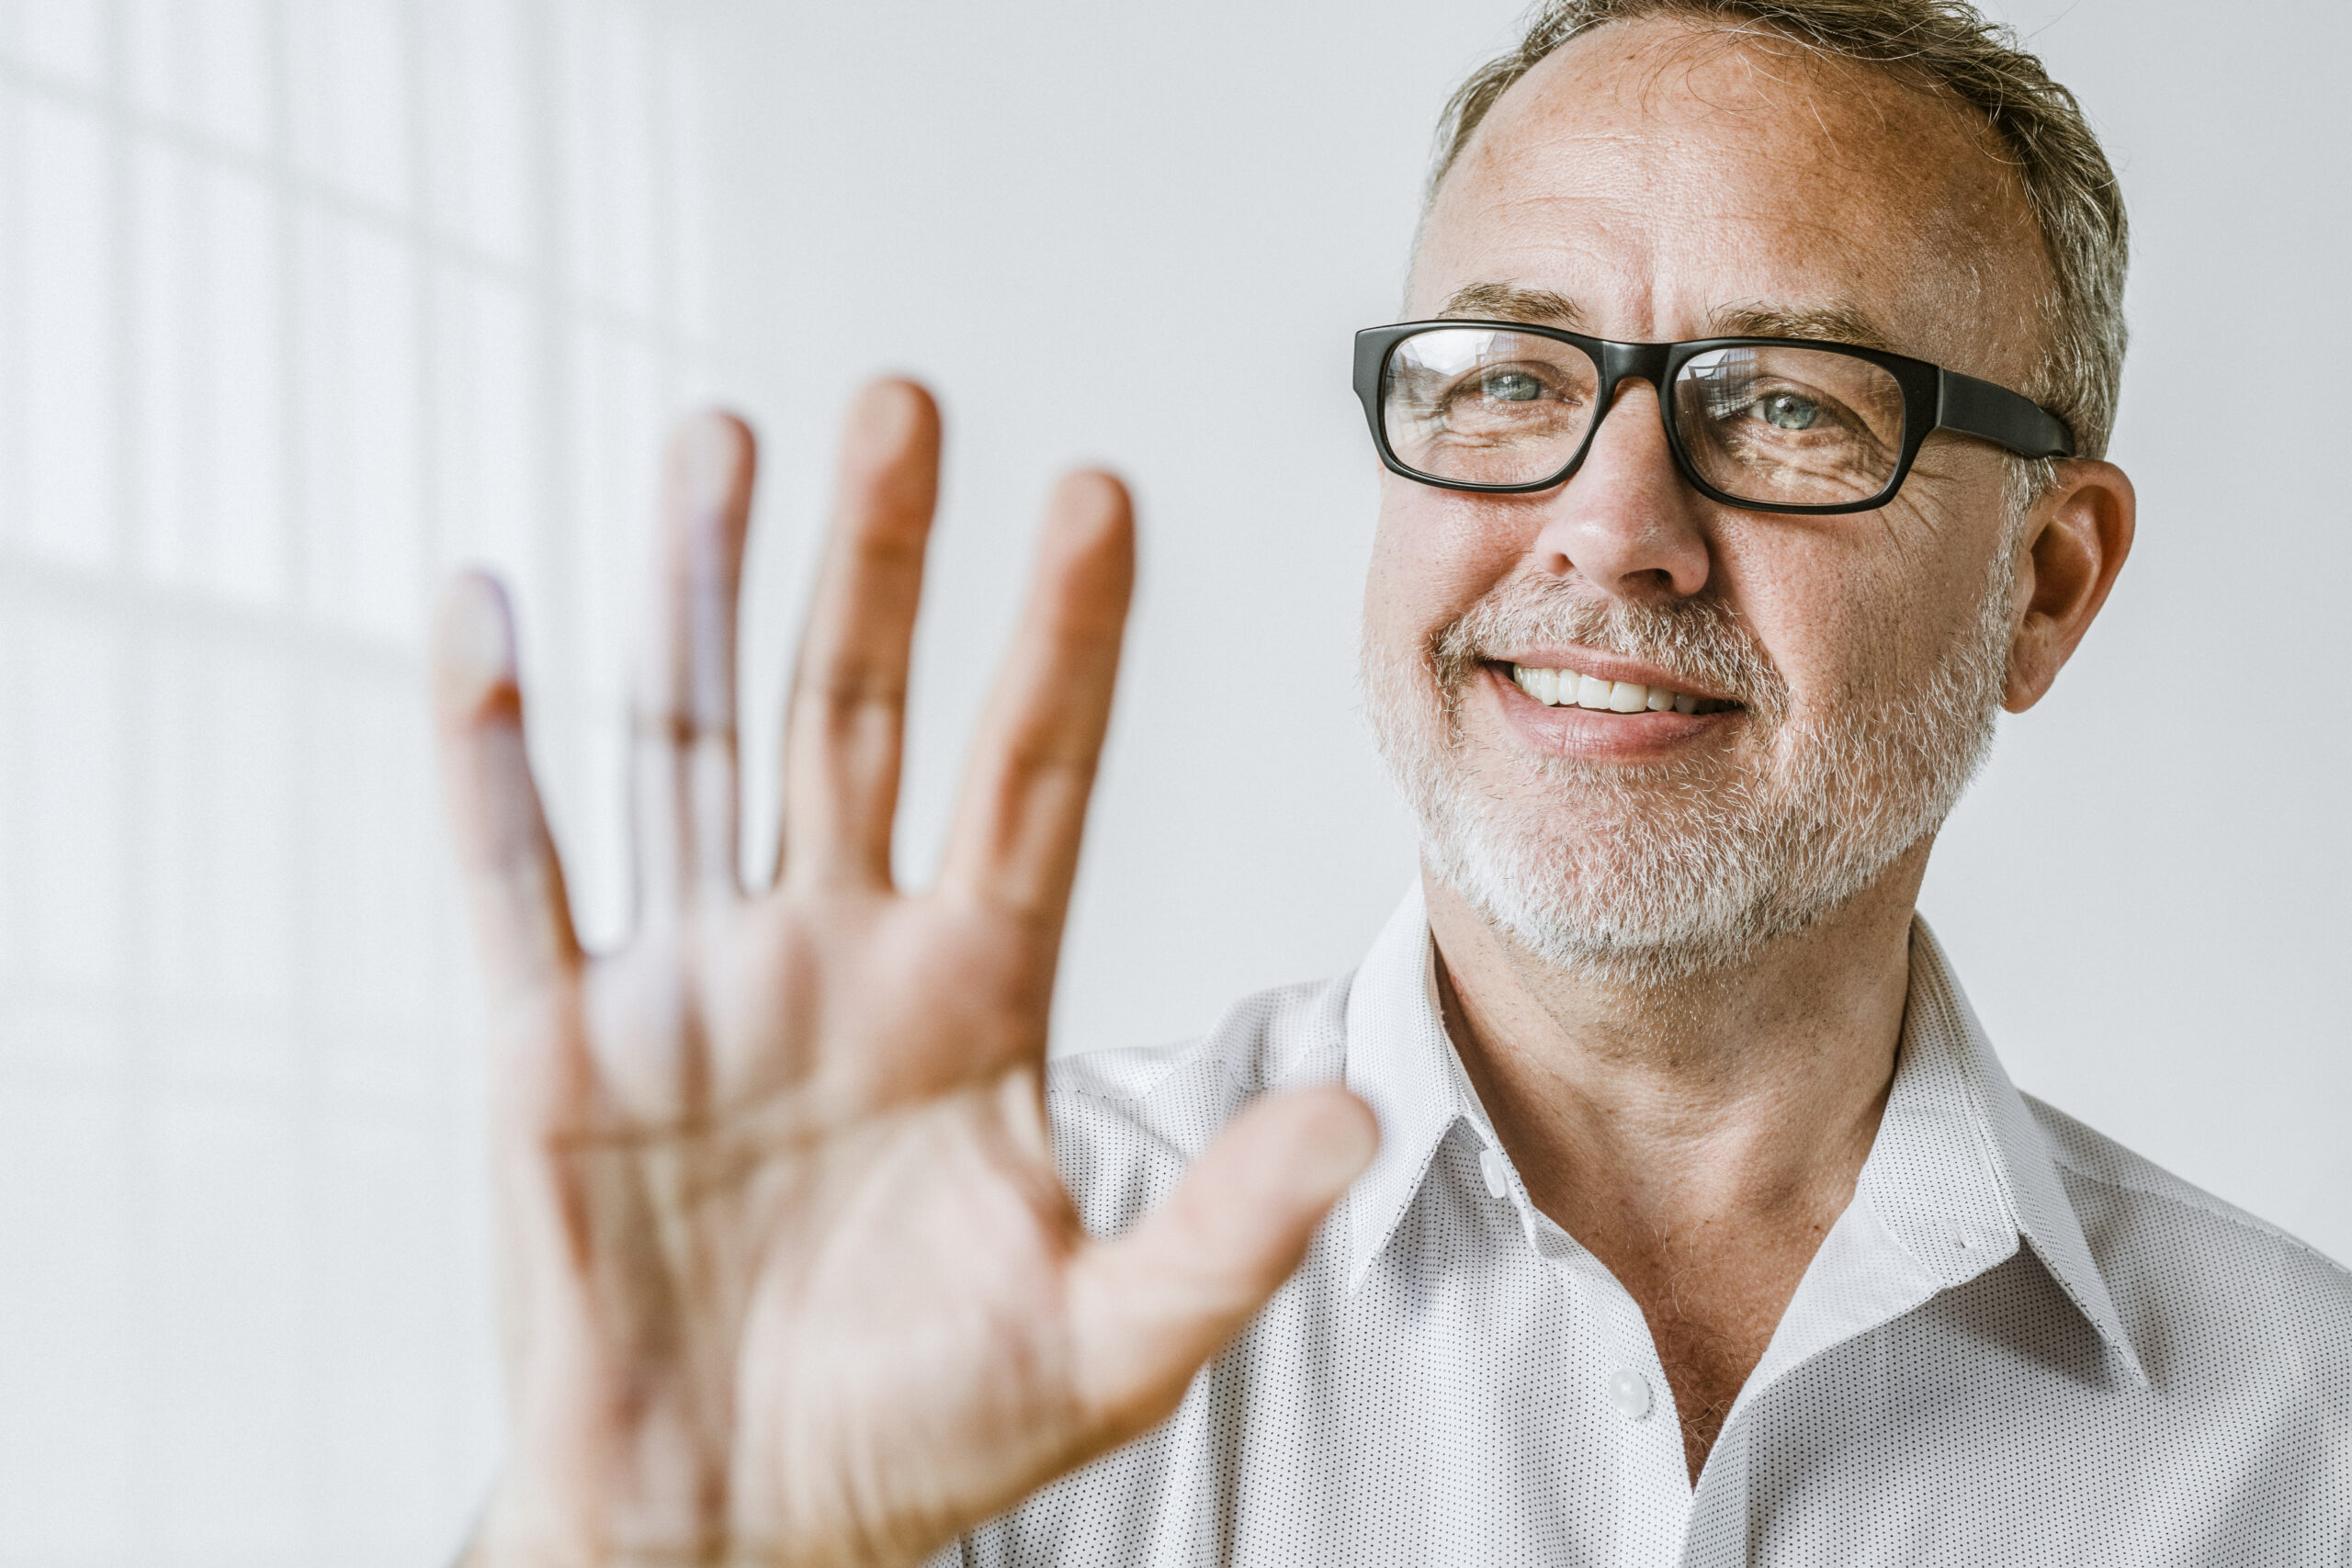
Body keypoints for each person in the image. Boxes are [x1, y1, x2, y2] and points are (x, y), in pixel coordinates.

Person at [435, 2, 2352, 1563]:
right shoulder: (940, 1295)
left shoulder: (2303, 1438)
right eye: (1508, 377)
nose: (1612, 532)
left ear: (2044, 578)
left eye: (1782, 403)